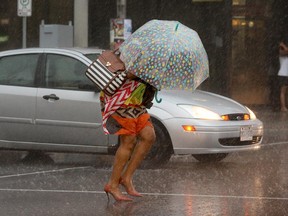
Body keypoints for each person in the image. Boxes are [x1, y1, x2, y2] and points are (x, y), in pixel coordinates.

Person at [100, 72, 156, 201]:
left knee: (149, 136)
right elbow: (126, 74)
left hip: (136, 100)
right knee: (128, 141)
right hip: (120, 99)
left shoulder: (151, 59)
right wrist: (141, 73)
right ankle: (112, 185)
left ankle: (126, 178)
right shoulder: (132, 54)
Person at [278, 39, 288, 111]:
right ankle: (283, 107)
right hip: (283, 74)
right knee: (283, 91)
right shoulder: (282, 54)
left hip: (285, 74)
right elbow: (286, 50)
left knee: (284, 91)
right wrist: (282, 45)